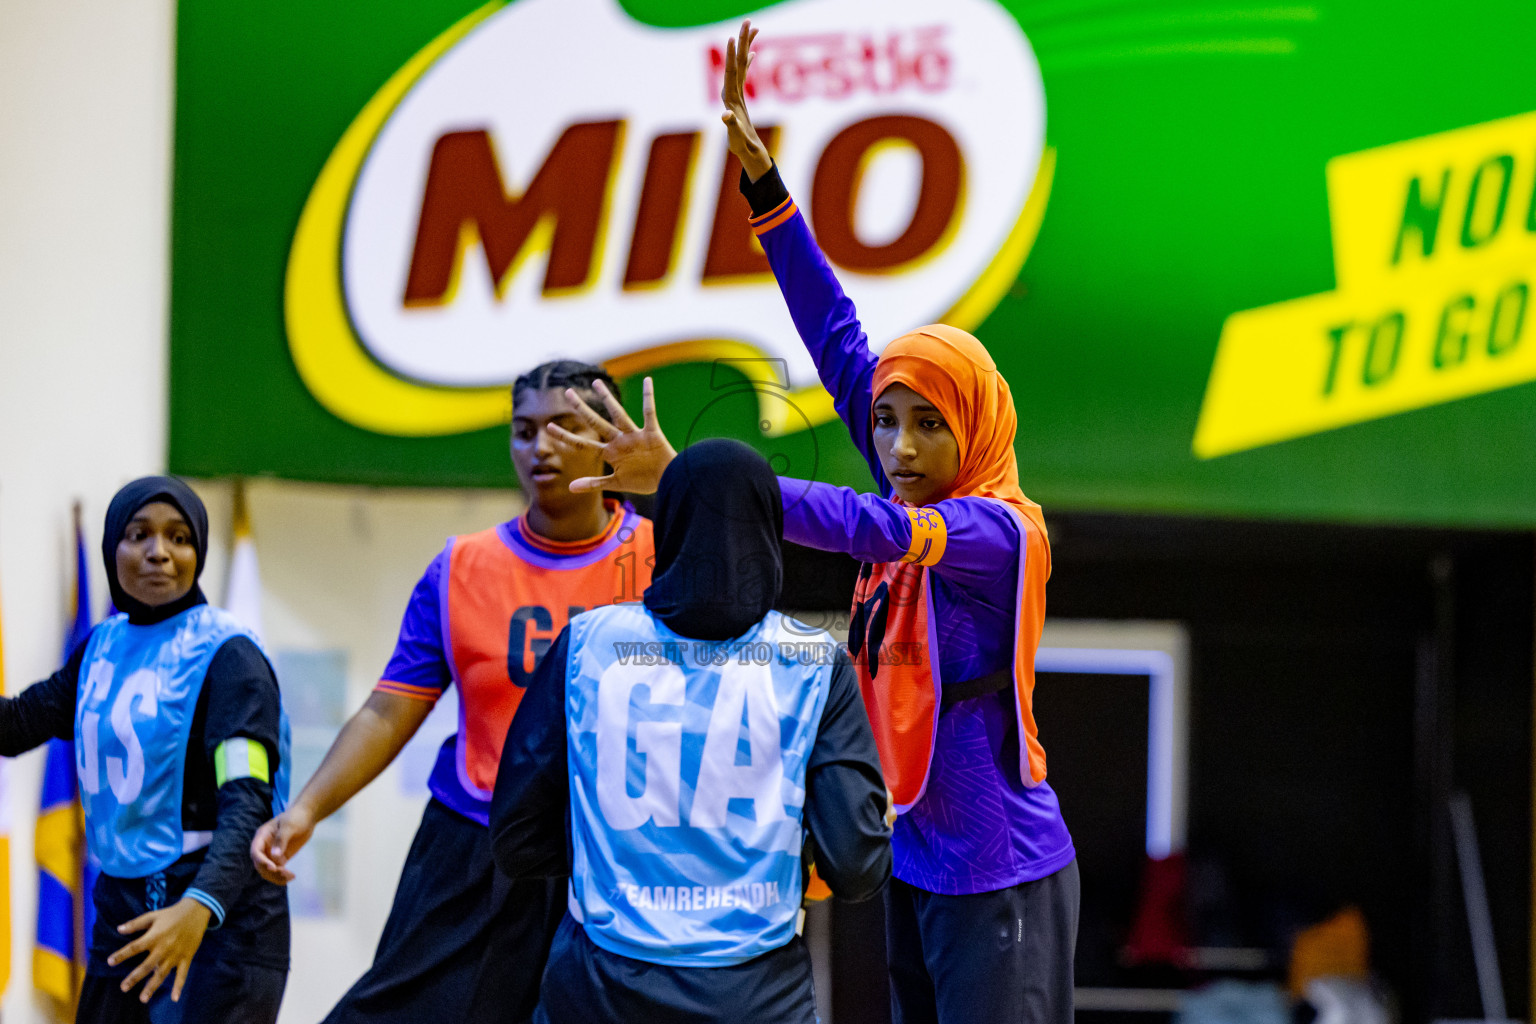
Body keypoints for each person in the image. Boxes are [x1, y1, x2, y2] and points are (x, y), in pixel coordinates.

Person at [555, 22, 1082, 1022]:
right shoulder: (910, 479)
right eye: (885, 422)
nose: (900, 447)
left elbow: (860, 528)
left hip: (1001, 868)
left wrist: (694, 484)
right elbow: (836, 331)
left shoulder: (1000, 533)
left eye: (929, 424)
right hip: (920, 851)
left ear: (975, 425)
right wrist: (765, 192)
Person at [250, 360, 655, 1024]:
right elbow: (389, 711)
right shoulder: (461, 567)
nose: (541, 448)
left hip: (609, 856)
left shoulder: (663, 560)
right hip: (474, 850)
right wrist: (305, 811)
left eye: (563, 426)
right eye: (523, 431)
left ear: (610, 435)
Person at [491, 438, 890, 1024]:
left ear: (669, 524)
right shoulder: (814, 663)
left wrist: (613, 863)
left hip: (601, 990)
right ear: (767, 529)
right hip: (756, 997)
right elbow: (856, 867)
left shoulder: (587, 643)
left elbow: (517, 840)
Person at [0, 476, 290, 1023]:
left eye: (179, 537)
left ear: (198, 551)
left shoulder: (231, 658)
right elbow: (16, 725)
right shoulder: (100, 649)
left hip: (217, 925)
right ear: (114, 547)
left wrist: (199, 908)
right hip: (125, 914)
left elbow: (247, 802)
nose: (160, 552)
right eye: (140, 534)